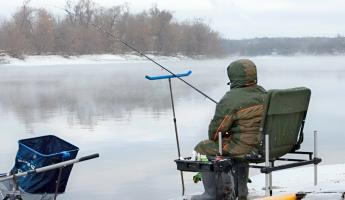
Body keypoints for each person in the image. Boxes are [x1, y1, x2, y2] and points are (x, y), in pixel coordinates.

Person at [192, 59, 266, 200]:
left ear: (233, 77)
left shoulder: (230, 99)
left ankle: (211, 194)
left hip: (244, 147)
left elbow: (214, 133)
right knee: (239, 147)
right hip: (262, 146)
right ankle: (241, 191)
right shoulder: (264, 93)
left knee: (203, 147)